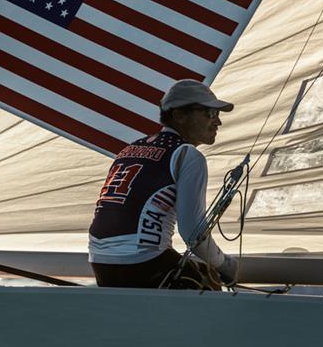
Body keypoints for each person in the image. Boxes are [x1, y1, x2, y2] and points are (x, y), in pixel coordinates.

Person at [88, 79, 238, 289]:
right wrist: (225, 265)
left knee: (200, 271)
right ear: (179, 115)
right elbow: (193, 234)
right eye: (209, 113)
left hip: (100, 262)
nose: (217, 122)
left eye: (217, 114)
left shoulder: (129, 149)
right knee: (211, 282)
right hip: (143, 263)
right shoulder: (188, 155)